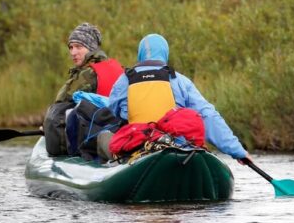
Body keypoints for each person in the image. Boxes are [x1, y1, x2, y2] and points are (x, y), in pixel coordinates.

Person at [104, 33, 252, 163]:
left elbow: (113, 112)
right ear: (165, 54)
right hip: (178, 150)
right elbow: (208, 115)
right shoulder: (179, 80)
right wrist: (237, 151)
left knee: (107, 135)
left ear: (140, 54)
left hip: (137, 150)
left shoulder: (123, 81)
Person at [53, 22, 122, 103]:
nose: (73, 53)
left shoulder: (87, 75)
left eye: (78, 47)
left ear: (91, 48)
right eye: (71, 47)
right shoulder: (118, 68)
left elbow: (59, 105)